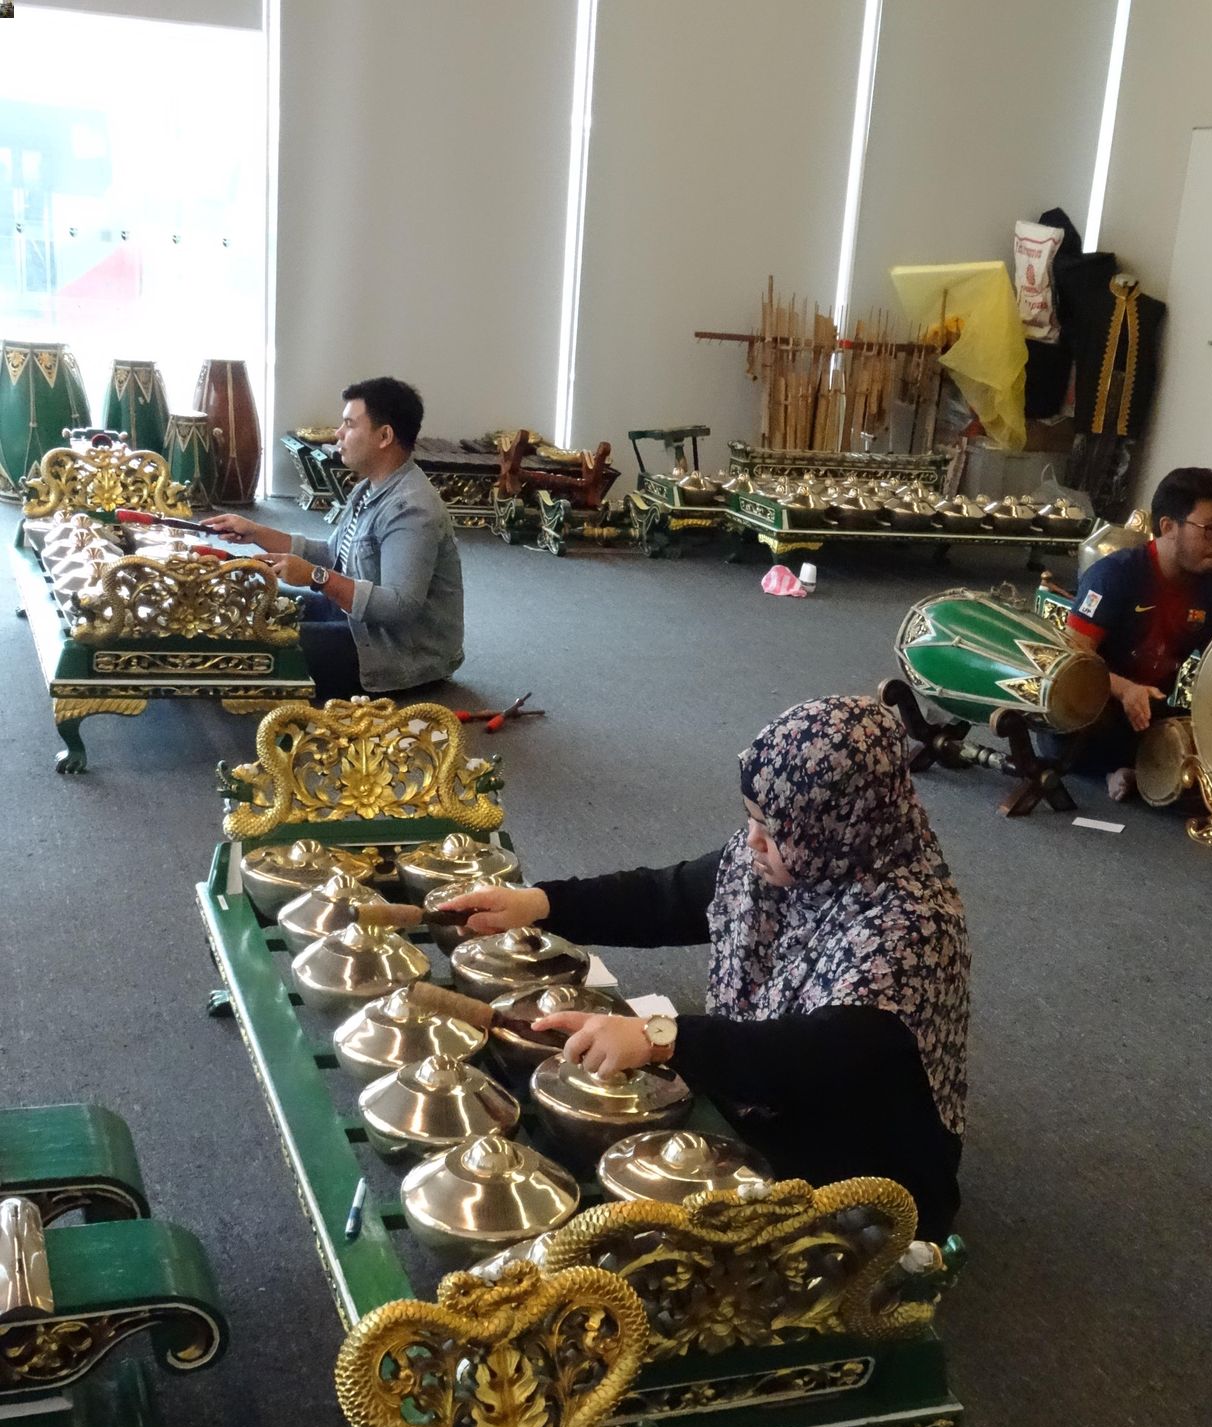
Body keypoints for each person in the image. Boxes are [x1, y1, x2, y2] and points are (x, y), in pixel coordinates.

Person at [444, 696, 970, 1241]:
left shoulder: (912, 927)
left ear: (836, 825)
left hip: (858, 1154)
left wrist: (660, 1039)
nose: (752, 842)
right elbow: (665, 897)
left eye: (772, 828)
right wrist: (540, 904)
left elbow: (809, 1056)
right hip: (770, 1090)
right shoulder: (796, 854)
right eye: (751, 819)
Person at [206, 376, 463, 699]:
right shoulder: (370, 487)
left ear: (385, 436)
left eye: (349, 425)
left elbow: (400, 607)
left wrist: (316, 578)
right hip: (359, 624)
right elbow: (332, 553)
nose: (337, 434)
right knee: (257, 605)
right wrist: (257, 532)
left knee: (264, 644)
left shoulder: (412, 509)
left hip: (395, 655)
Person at [1061, 465, 1212, 800]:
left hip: (1149, 714)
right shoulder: (1115, 575)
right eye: (1209, 529)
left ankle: (1140, 770)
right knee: (1078, 712)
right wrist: (1127, 690)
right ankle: (1114, 771)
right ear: (1169, 527)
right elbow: (1073, 655)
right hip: (1098, 707)